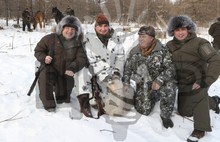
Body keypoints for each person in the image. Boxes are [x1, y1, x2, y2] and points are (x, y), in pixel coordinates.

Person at [166, 15, 220, 142]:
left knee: (198, 93)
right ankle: (213, 102)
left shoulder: (200, 43)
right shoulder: (169, 45)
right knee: (184, 111)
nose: (180, 33)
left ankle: (200, 129)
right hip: (183, 83)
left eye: (183, 29)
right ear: (172, 31)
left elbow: (215, 59)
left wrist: (206, 81)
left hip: (199, 80)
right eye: (177, 30)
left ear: (189, 29)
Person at [34, 15, 92, 117]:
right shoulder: (50, 39)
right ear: (62, 28)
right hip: (50, 69)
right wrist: (44, 58)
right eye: (67, 28)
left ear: (76, 31)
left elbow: (81, 58)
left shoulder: (78, 43)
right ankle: (49, 105)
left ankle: (60, 94)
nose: (69, 31)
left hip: (66, 72)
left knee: (63, 99)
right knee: (45, 75)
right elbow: (38, 50)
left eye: (72, 29)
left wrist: (73, 67)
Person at [122, 25, 177, 129]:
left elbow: (170, 69)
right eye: (139, 36)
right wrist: (126, 83)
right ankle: (153, 97)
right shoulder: (134, 52)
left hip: (159, 83)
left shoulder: (162, 51)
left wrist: (160, 80)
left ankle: (165, 115)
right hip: (143, 83)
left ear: (152, 38)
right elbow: (127, 70)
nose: (140, 39)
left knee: (170, 85)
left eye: (144, 36)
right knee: (144, 111)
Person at [79, 13, 127, 117]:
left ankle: (106, 99)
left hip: (112, 74)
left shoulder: (116, 40)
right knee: (83, 77)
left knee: (116, 111)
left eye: (105, 26)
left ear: (108, 26)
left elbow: (120, 58)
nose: (103, 29)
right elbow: (91, 61)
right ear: (95, 27)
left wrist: (117, 72)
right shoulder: (89, 40)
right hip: (96, 74)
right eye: (100, 26)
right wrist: (103, 75)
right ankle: (87, 103)